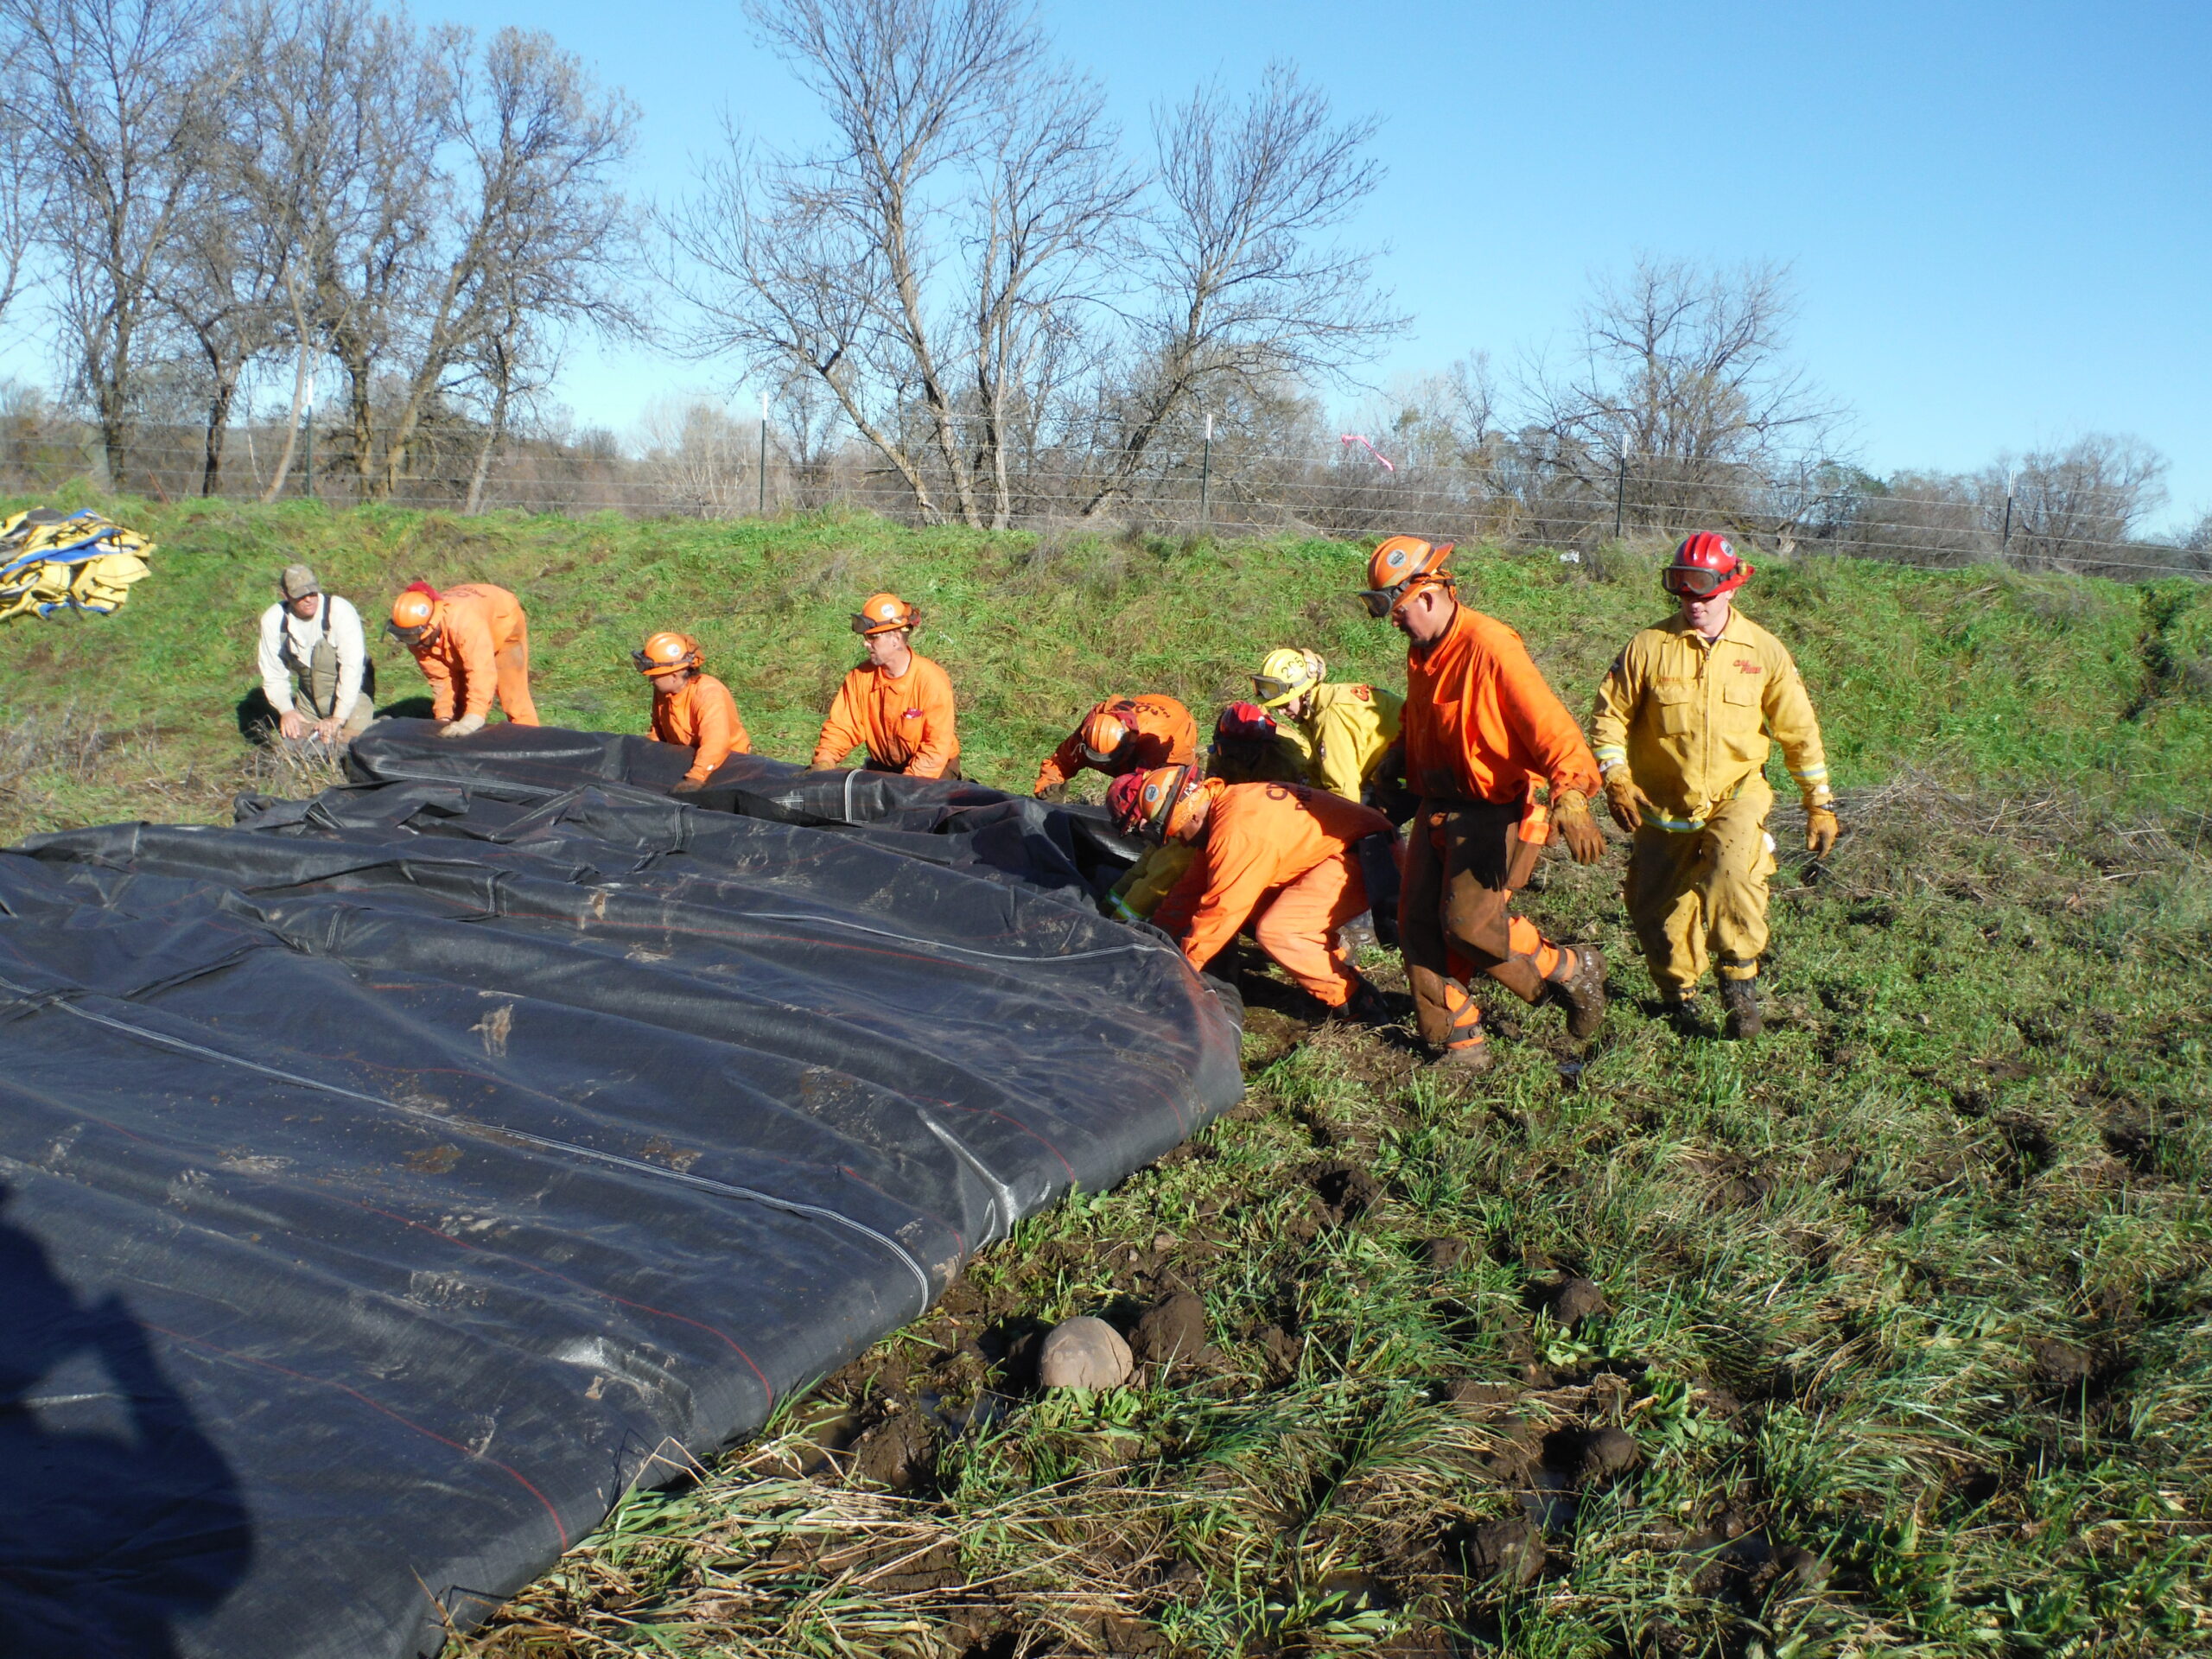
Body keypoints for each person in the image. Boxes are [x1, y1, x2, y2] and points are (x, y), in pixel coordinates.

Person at [1358, 533, 1608, 1073]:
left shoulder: (1491, 646)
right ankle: (1460, 1042)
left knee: (1468, 927)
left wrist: (1571, 793)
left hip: (1492, 810)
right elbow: (1419, 719)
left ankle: (1569, 969)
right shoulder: (1422, 649)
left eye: (1396, 611)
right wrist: (1397, 756)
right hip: (1437, 804)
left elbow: (1551, 726)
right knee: (1417, 925)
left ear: (1426, 595)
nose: (1393, 623)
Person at [1591, 532, 1837, 1039]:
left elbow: (1799, 731)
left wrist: (1819, 804)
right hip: (1660, 806)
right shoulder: (1647, 647)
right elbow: (1608, 719)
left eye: (1703, 591)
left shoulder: (1763, 652)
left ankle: (1739, 990)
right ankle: (1678, 995)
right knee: (1655, 912)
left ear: (1731, 588)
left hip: (1736, 793)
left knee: (1733, 872)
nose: (1693, 603)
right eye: (1682, 592)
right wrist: (1615, 777)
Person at [1111, 764, 1395, 1024]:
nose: (1178, 841)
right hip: (1351, 847)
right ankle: (1337, 966)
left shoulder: (1235, 832)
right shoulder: (1225, 807)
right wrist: (1157, 940)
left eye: (1176, 832)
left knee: (1279, 930)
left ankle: (1356, 1001)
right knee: (1259, 909)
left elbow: (1221, 912)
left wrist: (1180, 972)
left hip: (1370, 856)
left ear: (1193, 815)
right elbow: (1188, 893)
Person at [810, 592, 960, 778]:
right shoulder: (860, 677)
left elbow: (935, 747)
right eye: (866, 637)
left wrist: (905, 787)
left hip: (933, 770)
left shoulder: (931, 680)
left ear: (896, 639)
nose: (866, 644)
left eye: (873, 638)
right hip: (886, 766)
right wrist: (825, 760)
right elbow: (842, 727)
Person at [1249, 647, 1405, 804]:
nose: (1282, 713)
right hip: (1400, 756)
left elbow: (1344, 795)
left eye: (1285, 705)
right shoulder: (1328, 696)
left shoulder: (1329, 718)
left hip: (1409, 770)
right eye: (1277, 708)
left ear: (1303, 691)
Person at [385, 580, 537, 734]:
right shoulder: (417, 636)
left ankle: (531, 741)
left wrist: (474, 718)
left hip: (503, 621)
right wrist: (443, 719)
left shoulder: (465, 624)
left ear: (432, 625)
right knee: (460, 704)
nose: (412, 644)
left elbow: (481, 670)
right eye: (407, 638)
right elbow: (439, 678)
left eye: (413, 638)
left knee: (512, 695)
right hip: (460, 633)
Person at [255, 563, 372, 749]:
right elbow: (273, 672)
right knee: (293, 750)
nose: (309, 600)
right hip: (308, 700)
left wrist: (337, 718)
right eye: (300, 596)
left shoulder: (340, 612)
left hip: (352, 695)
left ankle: (381, 724)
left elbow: (352, 668)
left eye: (312, 593)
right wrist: (287, 710)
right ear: (285, 596)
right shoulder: (273, 620)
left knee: (352, 751)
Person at [634, 631, 751, 794]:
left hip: (726, 764)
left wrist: (695, 778)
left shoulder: (708, 694)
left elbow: (716, 744)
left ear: (674, 676)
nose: (650, 680)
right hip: (688, 757)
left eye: (654, 676)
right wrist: (646, 753)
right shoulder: (663, 692)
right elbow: (658, 730)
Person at [1033, 695, 1195, 796]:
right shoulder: (1093, 729)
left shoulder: (1159, 746)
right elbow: (1061, 761)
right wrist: (1048, 788)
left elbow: (1157, 795)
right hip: (1148, 705)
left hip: (1177, 725)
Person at [1204, 701, 1309, 786]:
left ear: (1264, 744)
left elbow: (1307, 796)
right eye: (1232, 750)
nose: (1238, 758)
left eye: (1245, 752)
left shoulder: (1291, 759)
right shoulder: (1219, 757)